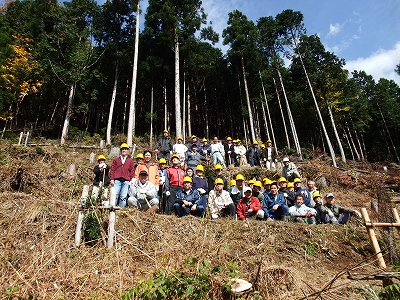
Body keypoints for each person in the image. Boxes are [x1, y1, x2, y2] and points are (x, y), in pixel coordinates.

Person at [110, 143, 135, 208]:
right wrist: (112, 179)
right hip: (117, 180)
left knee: (123, 196)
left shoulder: (130, 161)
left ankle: (121, 210)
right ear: (120, 150)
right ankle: (112, 208)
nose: (124, 150)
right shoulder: (116, 160)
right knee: (114, 195)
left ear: (127, 151)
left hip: (126, 180)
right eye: (123, 149)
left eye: (125, 149)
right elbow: (112, 170)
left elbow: (132, 171)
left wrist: (131, 180)